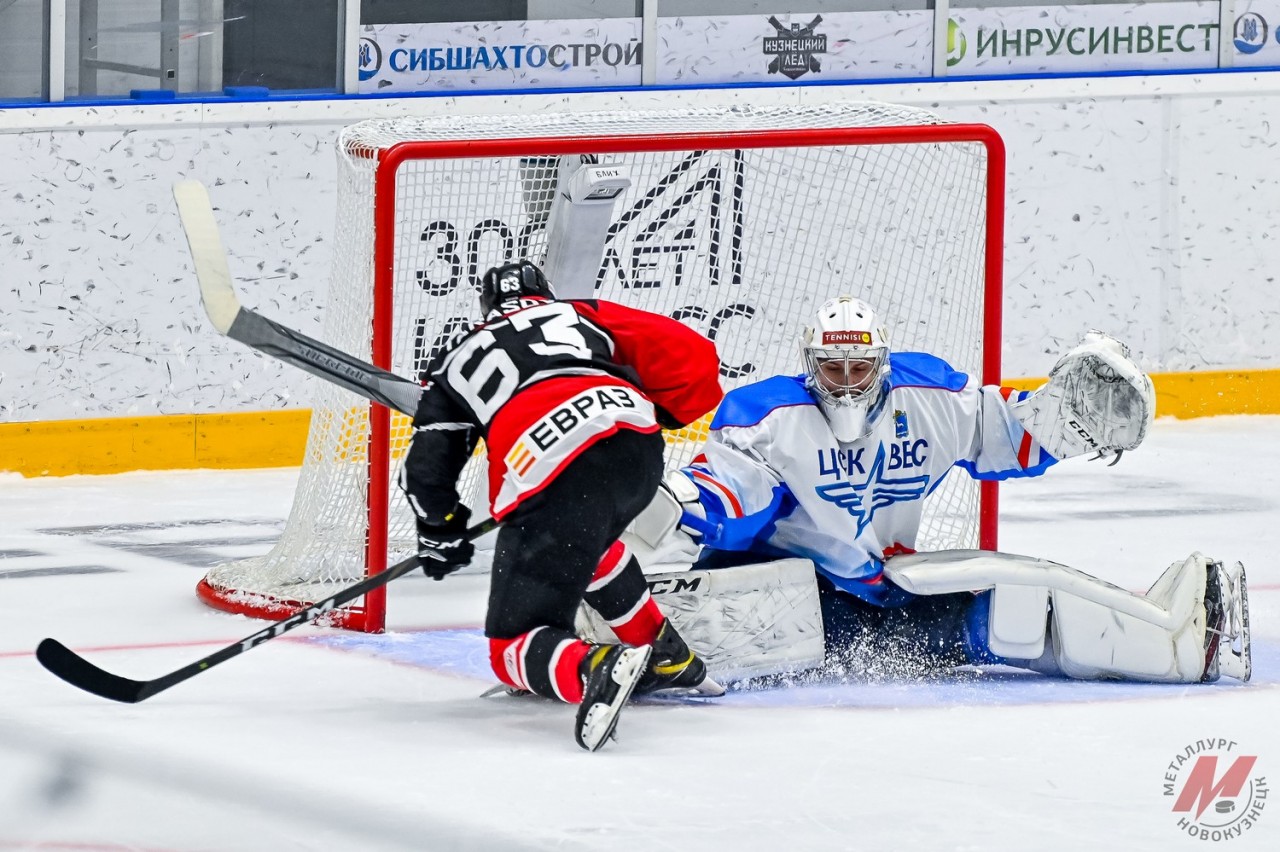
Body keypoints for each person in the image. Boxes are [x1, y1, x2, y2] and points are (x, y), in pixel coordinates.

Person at [643, 295, 1250, 685]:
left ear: (882, 362)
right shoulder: (771, 415)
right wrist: (675, 509)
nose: (847, 384)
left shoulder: (927, 397)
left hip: (880, 585)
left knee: (1012, 612)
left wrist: (1061, 418)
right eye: (832, 368)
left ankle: (1178, 646)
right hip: (783, 588)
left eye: (859, 368)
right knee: (746, 617)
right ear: (811, 366)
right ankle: (622, 627)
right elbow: (730, 495)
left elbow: (1006, 431)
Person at [399, 259, 725, 751]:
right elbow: (694, 355)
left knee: (512, 645)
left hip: (549, 467)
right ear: (544, 295)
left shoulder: (457, 359)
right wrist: (663, 412)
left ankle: (595, 666)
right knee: (591, 545)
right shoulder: (577, 313)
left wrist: (440, 531)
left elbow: (425, 472)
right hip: (635, 445)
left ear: (486, 309)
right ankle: (665, 654)